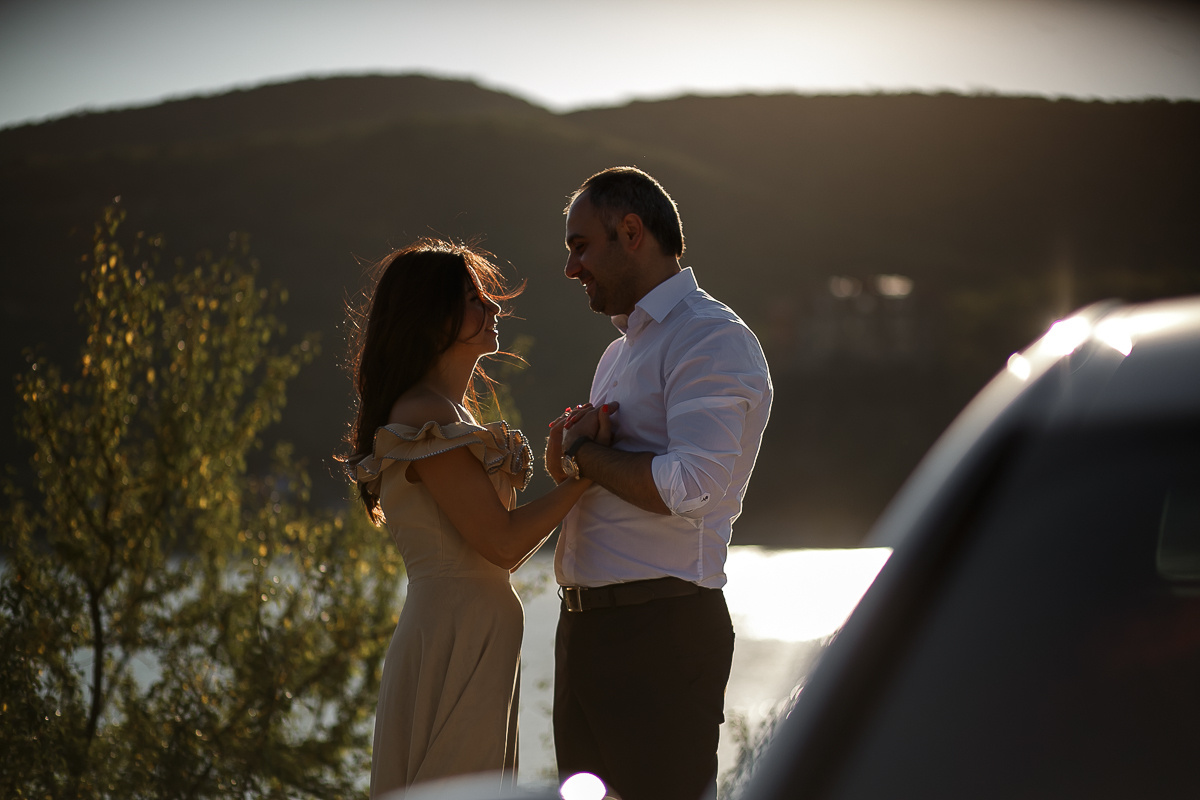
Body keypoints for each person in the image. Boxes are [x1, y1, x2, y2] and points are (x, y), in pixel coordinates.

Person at [342, 239, 607, 797]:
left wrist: (564, 479)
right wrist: (589, 474)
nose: (493, 307)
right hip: (453, 636)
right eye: (474, 298)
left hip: (472, 629)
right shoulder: (423, 416)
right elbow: (502, 545)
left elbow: (495, 549)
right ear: (432, 317)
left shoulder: (449, 415)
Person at [545, 167, 773, 800]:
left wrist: (585, 454)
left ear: (631, 231)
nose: (571, 267)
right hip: (588, 632)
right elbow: (597, 471)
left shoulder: (710, 337)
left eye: (580, 245)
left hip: (659, 635)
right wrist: (571, 455)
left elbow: (692, 485)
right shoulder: (619, 354)